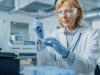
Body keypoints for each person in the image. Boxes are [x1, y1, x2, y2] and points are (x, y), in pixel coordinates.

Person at [34, 0, 100, 75]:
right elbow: (47, 64)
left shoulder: (92, 34)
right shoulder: (55, 34)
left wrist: (65, 53)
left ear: (78, 13)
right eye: (60, 12)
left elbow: (89, 66)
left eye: (68, 11)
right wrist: (40, 40)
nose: (63, 16)